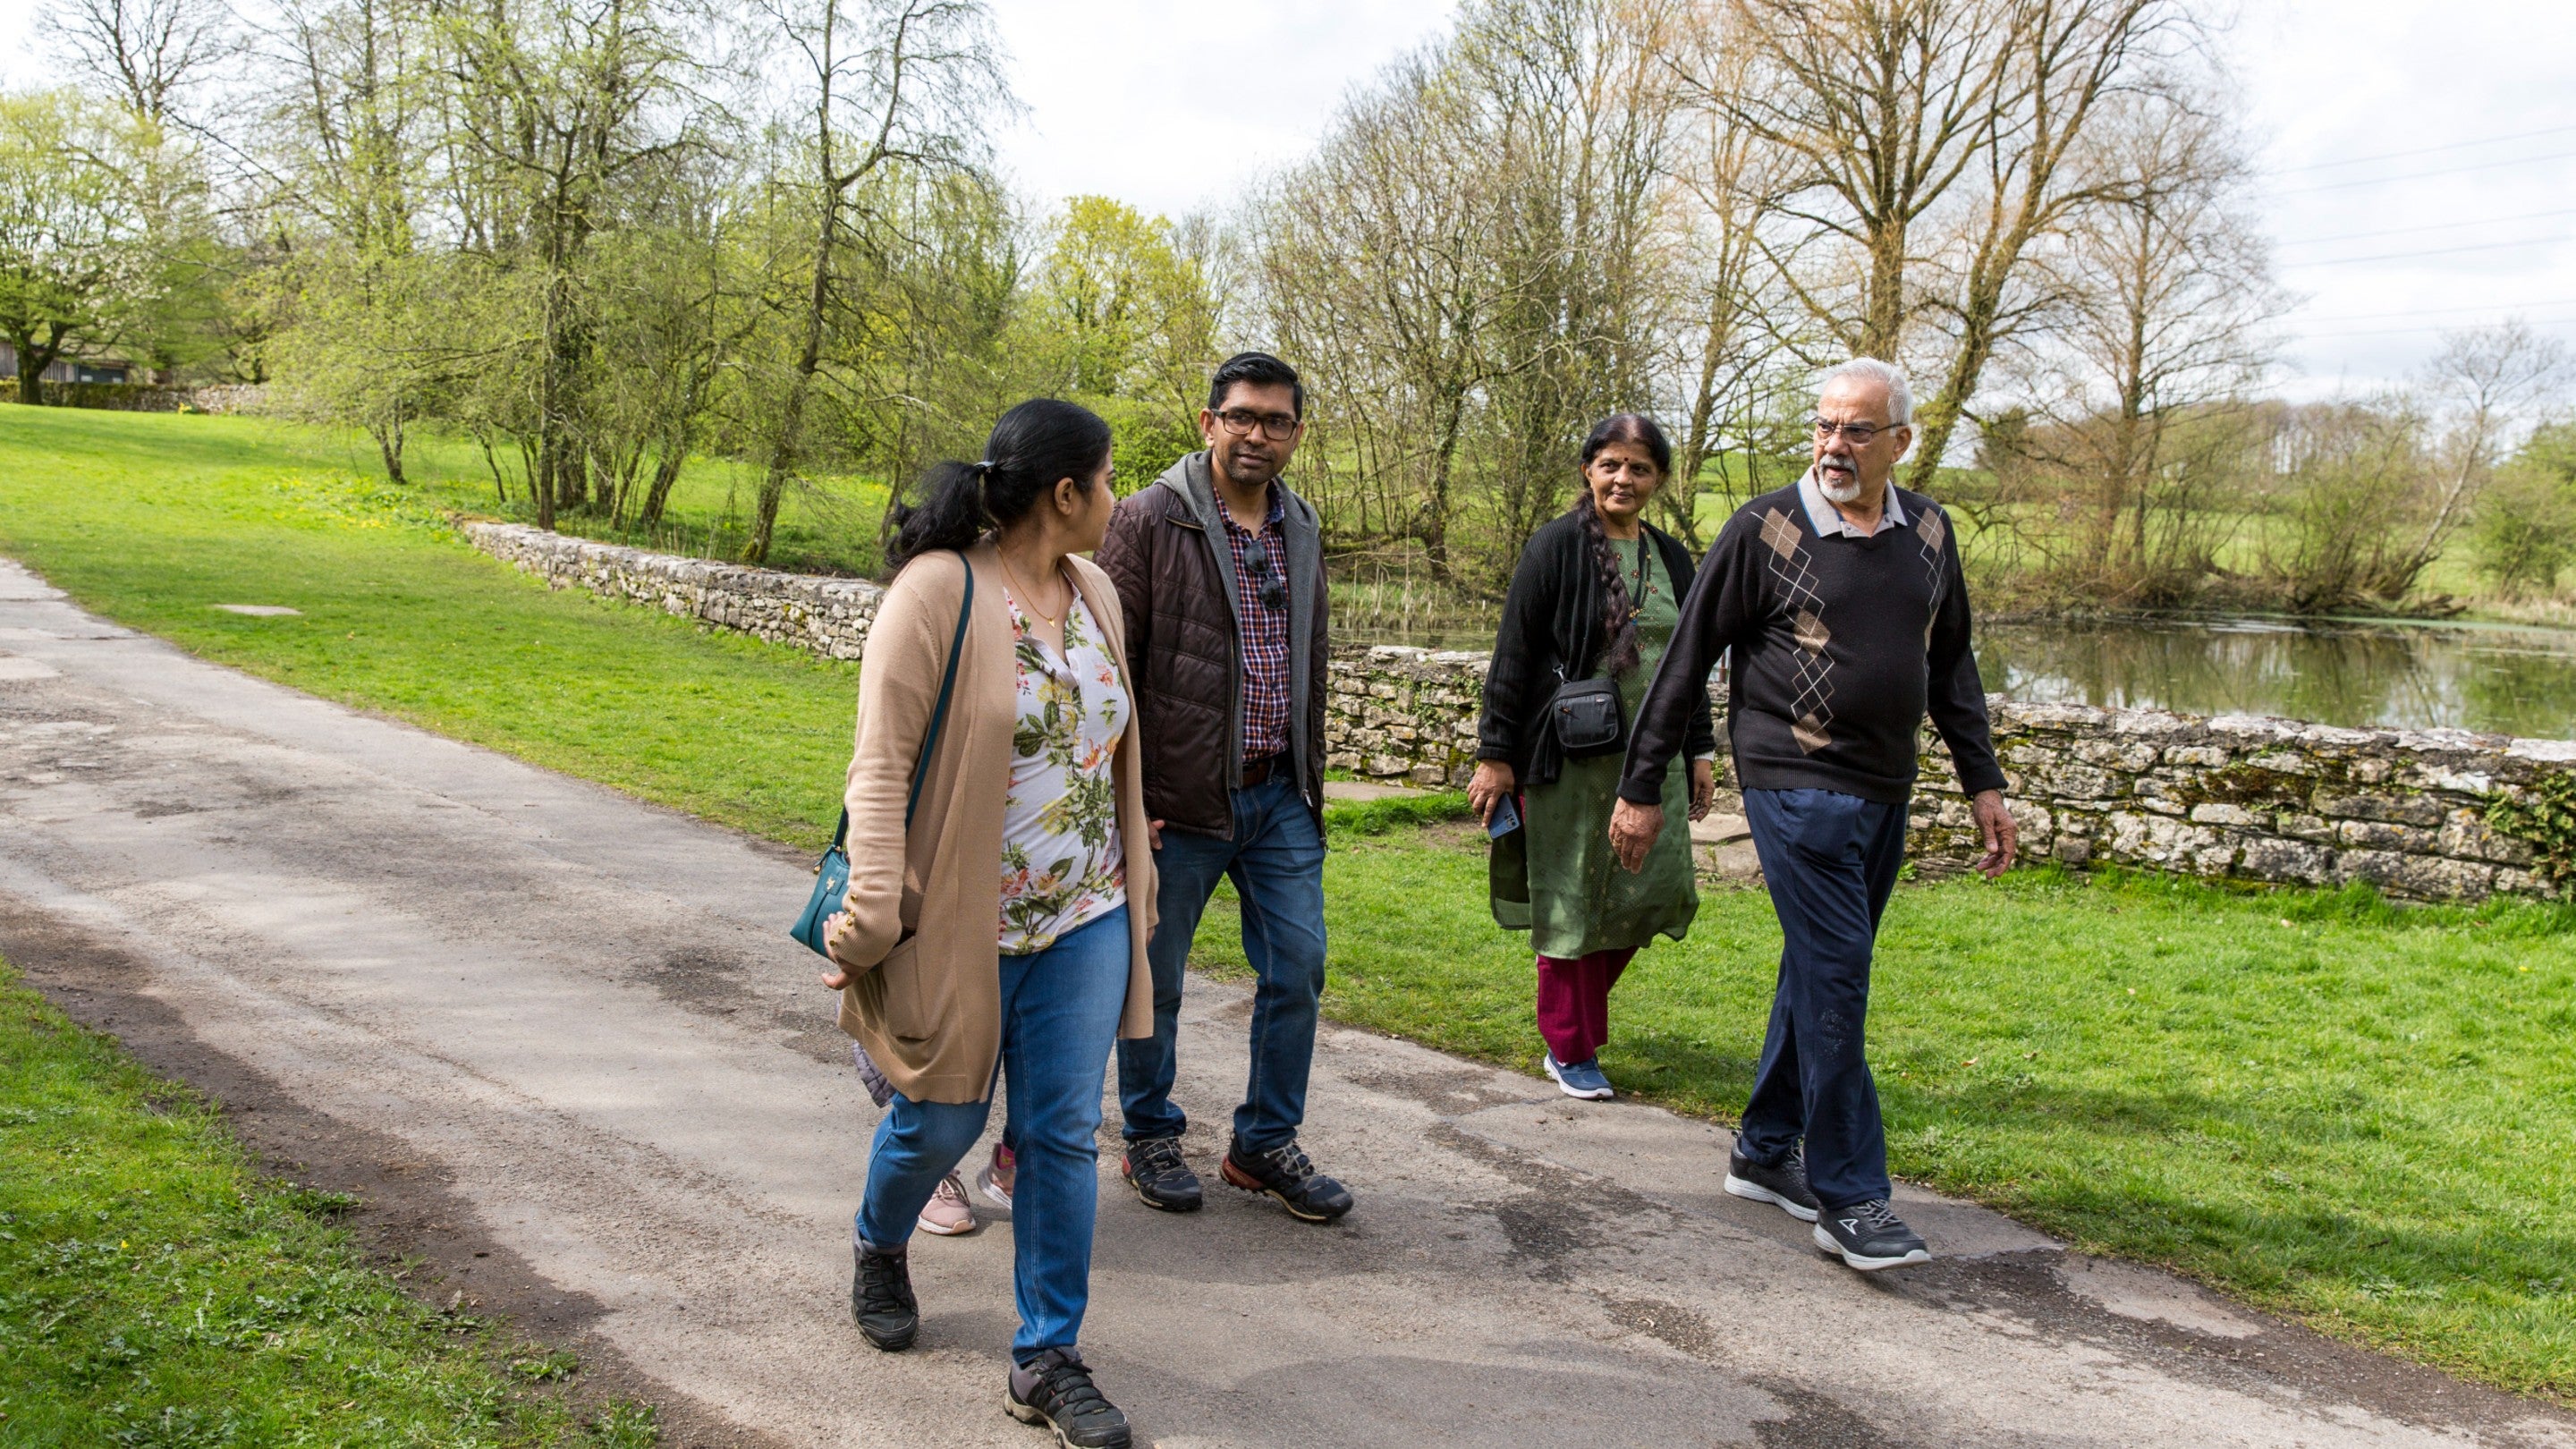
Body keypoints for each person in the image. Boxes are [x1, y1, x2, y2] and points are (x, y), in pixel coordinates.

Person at [1610, 359, 2019, 1274]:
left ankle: (1763, 1149)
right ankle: (1850, 1196)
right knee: (1840, 977)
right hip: (1792, 782)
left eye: (1857, 430)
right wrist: (1642, 790)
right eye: (1825, 426)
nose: (1835, 444)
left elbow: (1950, 667)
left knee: (1818, 969)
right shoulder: (1765, 529)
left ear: (1900, 444)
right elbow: (1685, 663)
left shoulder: (1930, 534)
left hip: (1886, 788)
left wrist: (1982, 781)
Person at [822, 398, 1157, 1448]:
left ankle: (1046, 1356)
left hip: (1085, 917)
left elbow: (1105, 744)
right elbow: (879, 767)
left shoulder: (1096, 589)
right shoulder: (936, 593)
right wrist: (872, 914)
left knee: (1060, 1135)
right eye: (1108, 479)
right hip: (964, 922)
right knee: (943, 1119)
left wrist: (1133, 869)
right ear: (1065, 494)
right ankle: (881, 1241)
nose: (1117, 496)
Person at [1094, 352, 1353, 1224]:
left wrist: (1309, 780)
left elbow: (1305, 663)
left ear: (1296, 436)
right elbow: (1111, 668)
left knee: (1300, 966)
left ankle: (1262, 1143)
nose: (1257, 433)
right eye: (1240, 415)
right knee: (1156, 977)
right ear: (1209, 422)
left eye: (1275, 421)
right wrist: (1128, 800)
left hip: (1278, 794)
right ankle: (1150, 1133)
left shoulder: (1303, 526)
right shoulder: (1146, 520)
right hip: (1181, 799)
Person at [1469, 415, 1716, 1101]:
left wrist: (1699, 748)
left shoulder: (1671, 557)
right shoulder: (1554, 546)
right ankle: (1568, 1044)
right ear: (1587, 469)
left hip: (1654, 763)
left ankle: (1577, 1018)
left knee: (1651, 894)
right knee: (1573, 899)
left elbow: (1687, 665)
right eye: (1610, 464)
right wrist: (1496, 755)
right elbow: (1512, 653)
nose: (1623, 479)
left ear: (1658, 479)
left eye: (1639, 468)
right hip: (1571, 760)